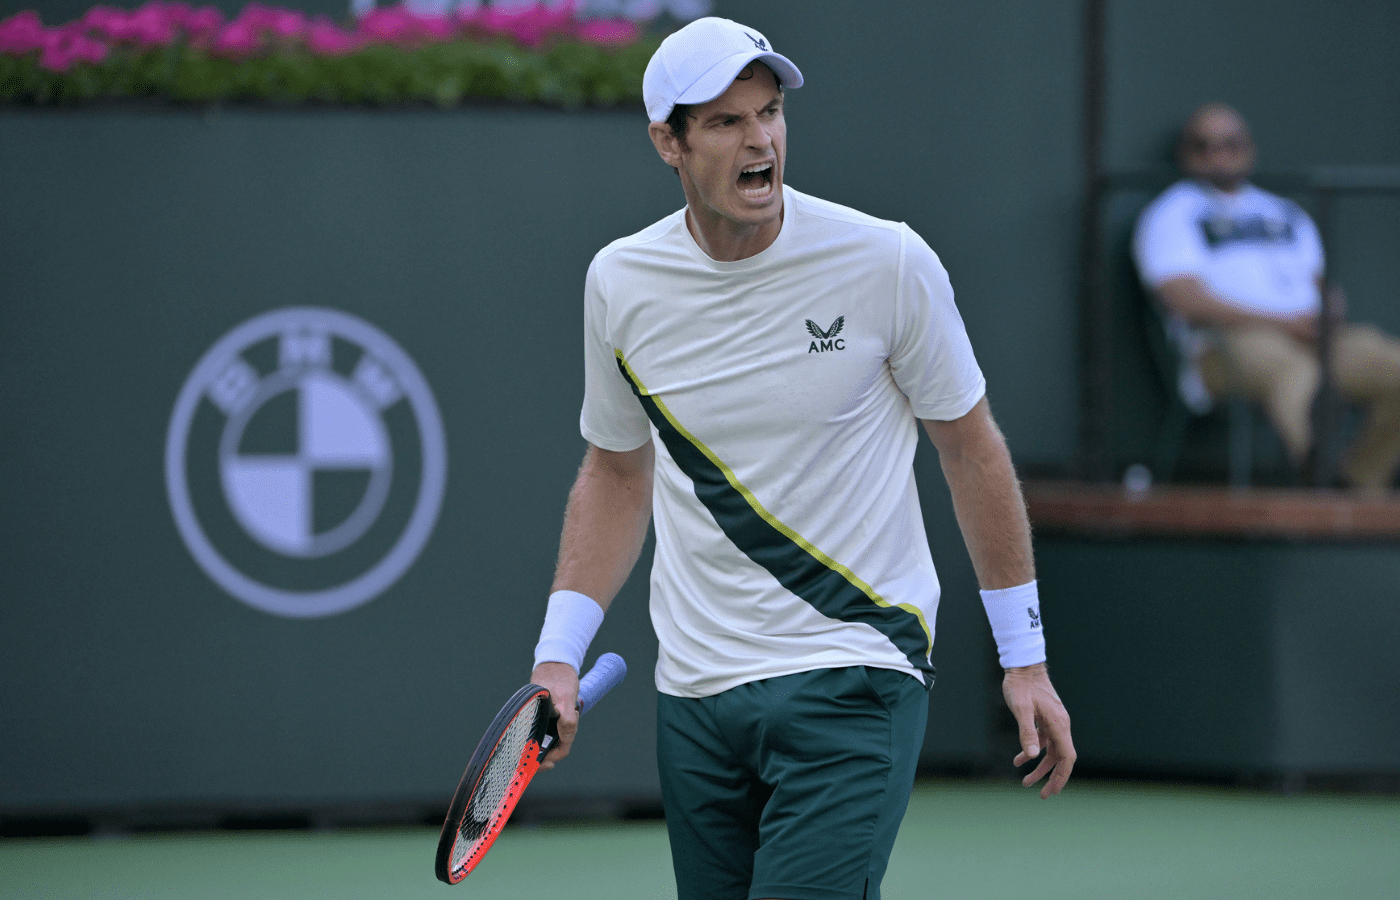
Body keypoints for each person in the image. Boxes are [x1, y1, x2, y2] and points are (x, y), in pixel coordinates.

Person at [528, 17, 1075, 900]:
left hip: (854, 672)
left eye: (770, 113)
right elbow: (617, 473)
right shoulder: (620, 281)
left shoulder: (887, 261)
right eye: (726, 122)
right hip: (697, 695)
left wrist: (1026, 658)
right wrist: (558, 656)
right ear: (668, 142)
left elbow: (971, 450)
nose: (761, 141)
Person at [1133, 102, 1400, 491]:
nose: (1218, 155)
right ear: (1186, 155)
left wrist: (1328, 309)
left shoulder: (1283, 211)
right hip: (1226, 346)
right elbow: (1185, 300)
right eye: (1203, 146)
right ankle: (1323, 481)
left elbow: (1318, 283)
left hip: (1310, 337)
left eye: (1231, 144)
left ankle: (1359, 484)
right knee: (1294, 372)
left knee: (1392, 363)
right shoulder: (1172, 212)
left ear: (1250, 148)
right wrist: (1278, 322)